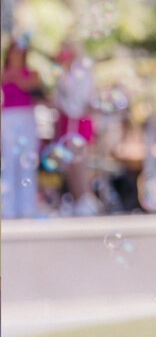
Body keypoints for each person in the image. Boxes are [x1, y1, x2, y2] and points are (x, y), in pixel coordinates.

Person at [53, 42, 100, 216]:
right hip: (66, 121)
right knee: (69, 164)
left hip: (77, 120)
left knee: (78, 162)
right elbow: (57, 99)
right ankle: (77, 198)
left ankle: (86, 198)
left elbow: (79, 100)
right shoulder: (66, 72)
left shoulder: (82, 72)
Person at [2, 38, 44, 218]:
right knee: (9, 161)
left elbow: (36, 88)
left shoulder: (31, 73)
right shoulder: (4, 73)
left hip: (27, 116)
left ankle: (27, 206)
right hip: (8, 117)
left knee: (27, 160)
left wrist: (18, 77)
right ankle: (8, 206)